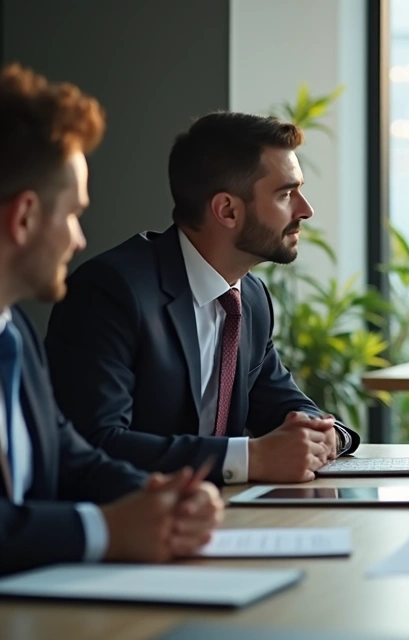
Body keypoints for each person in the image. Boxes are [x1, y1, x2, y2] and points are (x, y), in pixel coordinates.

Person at [44, 111, 359, 487]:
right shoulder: (112, 291)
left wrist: (326, 434)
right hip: (132, 527)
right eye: (286, 194)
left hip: (218, 518)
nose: (305, 210)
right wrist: (250, 458)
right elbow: (95, 442)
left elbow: (284, 405)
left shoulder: (251, 298)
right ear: (227, 210)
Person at [0, 63, 222, 575]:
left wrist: (162, 497)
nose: (79, 240)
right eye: (74, 214)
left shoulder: (14, 335)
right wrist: (106, 531)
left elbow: (70, 457)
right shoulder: (101, 292)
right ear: (26, 217)